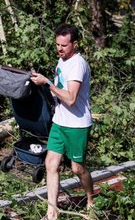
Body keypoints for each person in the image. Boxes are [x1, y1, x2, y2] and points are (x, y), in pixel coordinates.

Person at [31, 24, 94, 220]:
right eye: (57, 44)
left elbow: (71, 99)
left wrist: (47, 82)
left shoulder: (77, 64)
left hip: (77, 124)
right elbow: (58, 91)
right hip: (60, 121)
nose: (60, 49)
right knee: (51, 164)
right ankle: (52, 212)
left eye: (64, 45)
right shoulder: (62, 60)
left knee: (77, 168)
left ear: (74, 44)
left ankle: (91, 199)